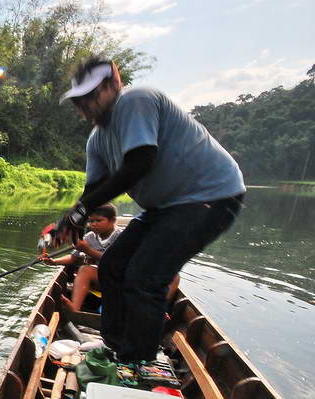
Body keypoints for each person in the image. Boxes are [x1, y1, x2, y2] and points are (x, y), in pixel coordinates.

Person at [50, 57, 244, 367]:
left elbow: (140, 162)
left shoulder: (135, 100)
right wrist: (70, 222)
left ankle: (138, 361)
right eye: (78, 100)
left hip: (211, 197)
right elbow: (92, 193)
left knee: (145, 277)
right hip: (164, 209)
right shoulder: (97, 140)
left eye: (90, 96)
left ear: (114, 84)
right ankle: (115, 346)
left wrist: (80, 212)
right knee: (113, 265)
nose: (83, 106)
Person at [42, 203, 122, 312]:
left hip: (121, 280)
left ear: (112, 220)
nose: (93, 224)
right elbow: (73, 257)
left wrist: (87, 250)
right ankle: (75, 307)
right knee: (84, 269)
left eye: (98, 221)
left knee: (86, 269)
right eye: (91, 221)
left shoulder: (121, 236)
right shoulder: (90, 237)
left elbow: (115, 262)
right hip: (103, 280)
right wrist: (54, 261)